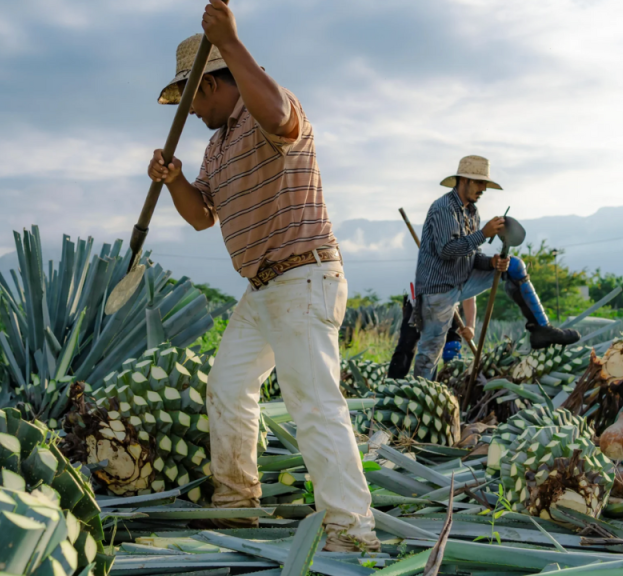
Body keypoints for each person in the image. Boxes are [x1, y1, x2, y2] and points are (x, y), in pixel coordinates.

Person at [146, 1, 379, 552]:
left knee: (313, 403)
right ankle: (236, 507)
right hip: (262, 287)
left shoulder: (268, 110)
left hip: (302, 276)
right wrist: (176, 179)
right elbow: (203, 216)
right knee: (227, 386)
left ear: (209, 85)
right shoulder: (215, 144)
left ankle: (352, 532)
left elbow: (277, 114)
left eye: (190, 97)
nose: (190, 111)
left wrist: (228, 41)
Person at [412, 156, 579, 380]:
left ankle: (541, 329)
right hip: (438, 289)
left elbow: (471, 255)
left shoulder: (471, 212)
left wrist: (490, 263)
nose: (483, 189)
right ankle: (420, 398)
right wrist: (484, 234)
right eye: (479, 183)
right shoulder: (443, 209)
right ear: (464, 180)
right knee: (430, 352)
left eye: (485, 184)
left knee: (514, 266)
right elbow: (447, 251)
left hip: (463, 280)